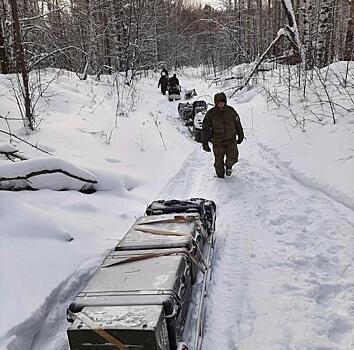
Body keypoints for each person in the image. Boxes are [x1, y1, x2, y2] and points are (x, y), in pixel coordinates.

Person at [201, 92, 244, 178]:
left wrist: (240, 134)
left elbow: (237, 123)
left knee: (233, 158)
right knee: (218, 162)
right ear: (216, 103)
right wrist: (204, 143)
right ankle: (220, 177)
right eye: (218, 102)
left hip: (231, 140)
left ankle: (228, 166)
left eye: (222, 102)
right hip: (218, 142)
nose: (221, 104)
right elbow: (205, 129)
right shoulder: (210, 114)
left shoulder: (231, 111)